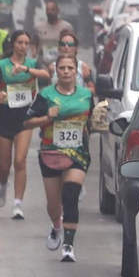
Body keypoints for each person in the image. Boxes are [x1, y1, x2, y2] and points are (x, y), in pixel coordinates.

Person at [25, 55, 99, 262]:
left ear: (76, 71)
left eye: (70, 68)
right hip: (51, 152)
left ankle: (68, 245)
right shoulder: (45, 95)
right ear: (56, 71)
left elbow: (91, 121)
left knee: (70, 195)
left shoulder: (85, 95)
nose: (66, 71)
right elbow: (28, 122)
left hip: (78, 152)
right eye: (62, 68)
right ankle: (57, 226)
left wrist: (99, 122)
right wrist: (47, 117)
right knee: (53, 204)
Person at [0, 30, 47, 218]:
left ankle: (18, 204)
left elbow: (45, 75)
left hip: (24, 118)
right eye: (19, 42)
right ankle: (3, 185)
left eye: (26, 43)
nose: (23, 46)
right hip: (3, 117)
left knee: (20, 161)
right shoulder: (0, 66)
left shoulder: (31, 65)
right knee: (5, 165)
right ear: (12, 44)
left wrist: (26, 70)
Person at [33, 0, 68, 64]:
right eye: (47, 10)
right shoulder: (38, 26)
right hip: (42, 61)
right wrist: (34, 50)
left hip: (59, 61)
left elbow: (72, 44)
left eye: (52, 10)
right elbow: (35, 41)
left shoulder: (66, 27)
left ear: (57, 10)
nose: (50, 12)